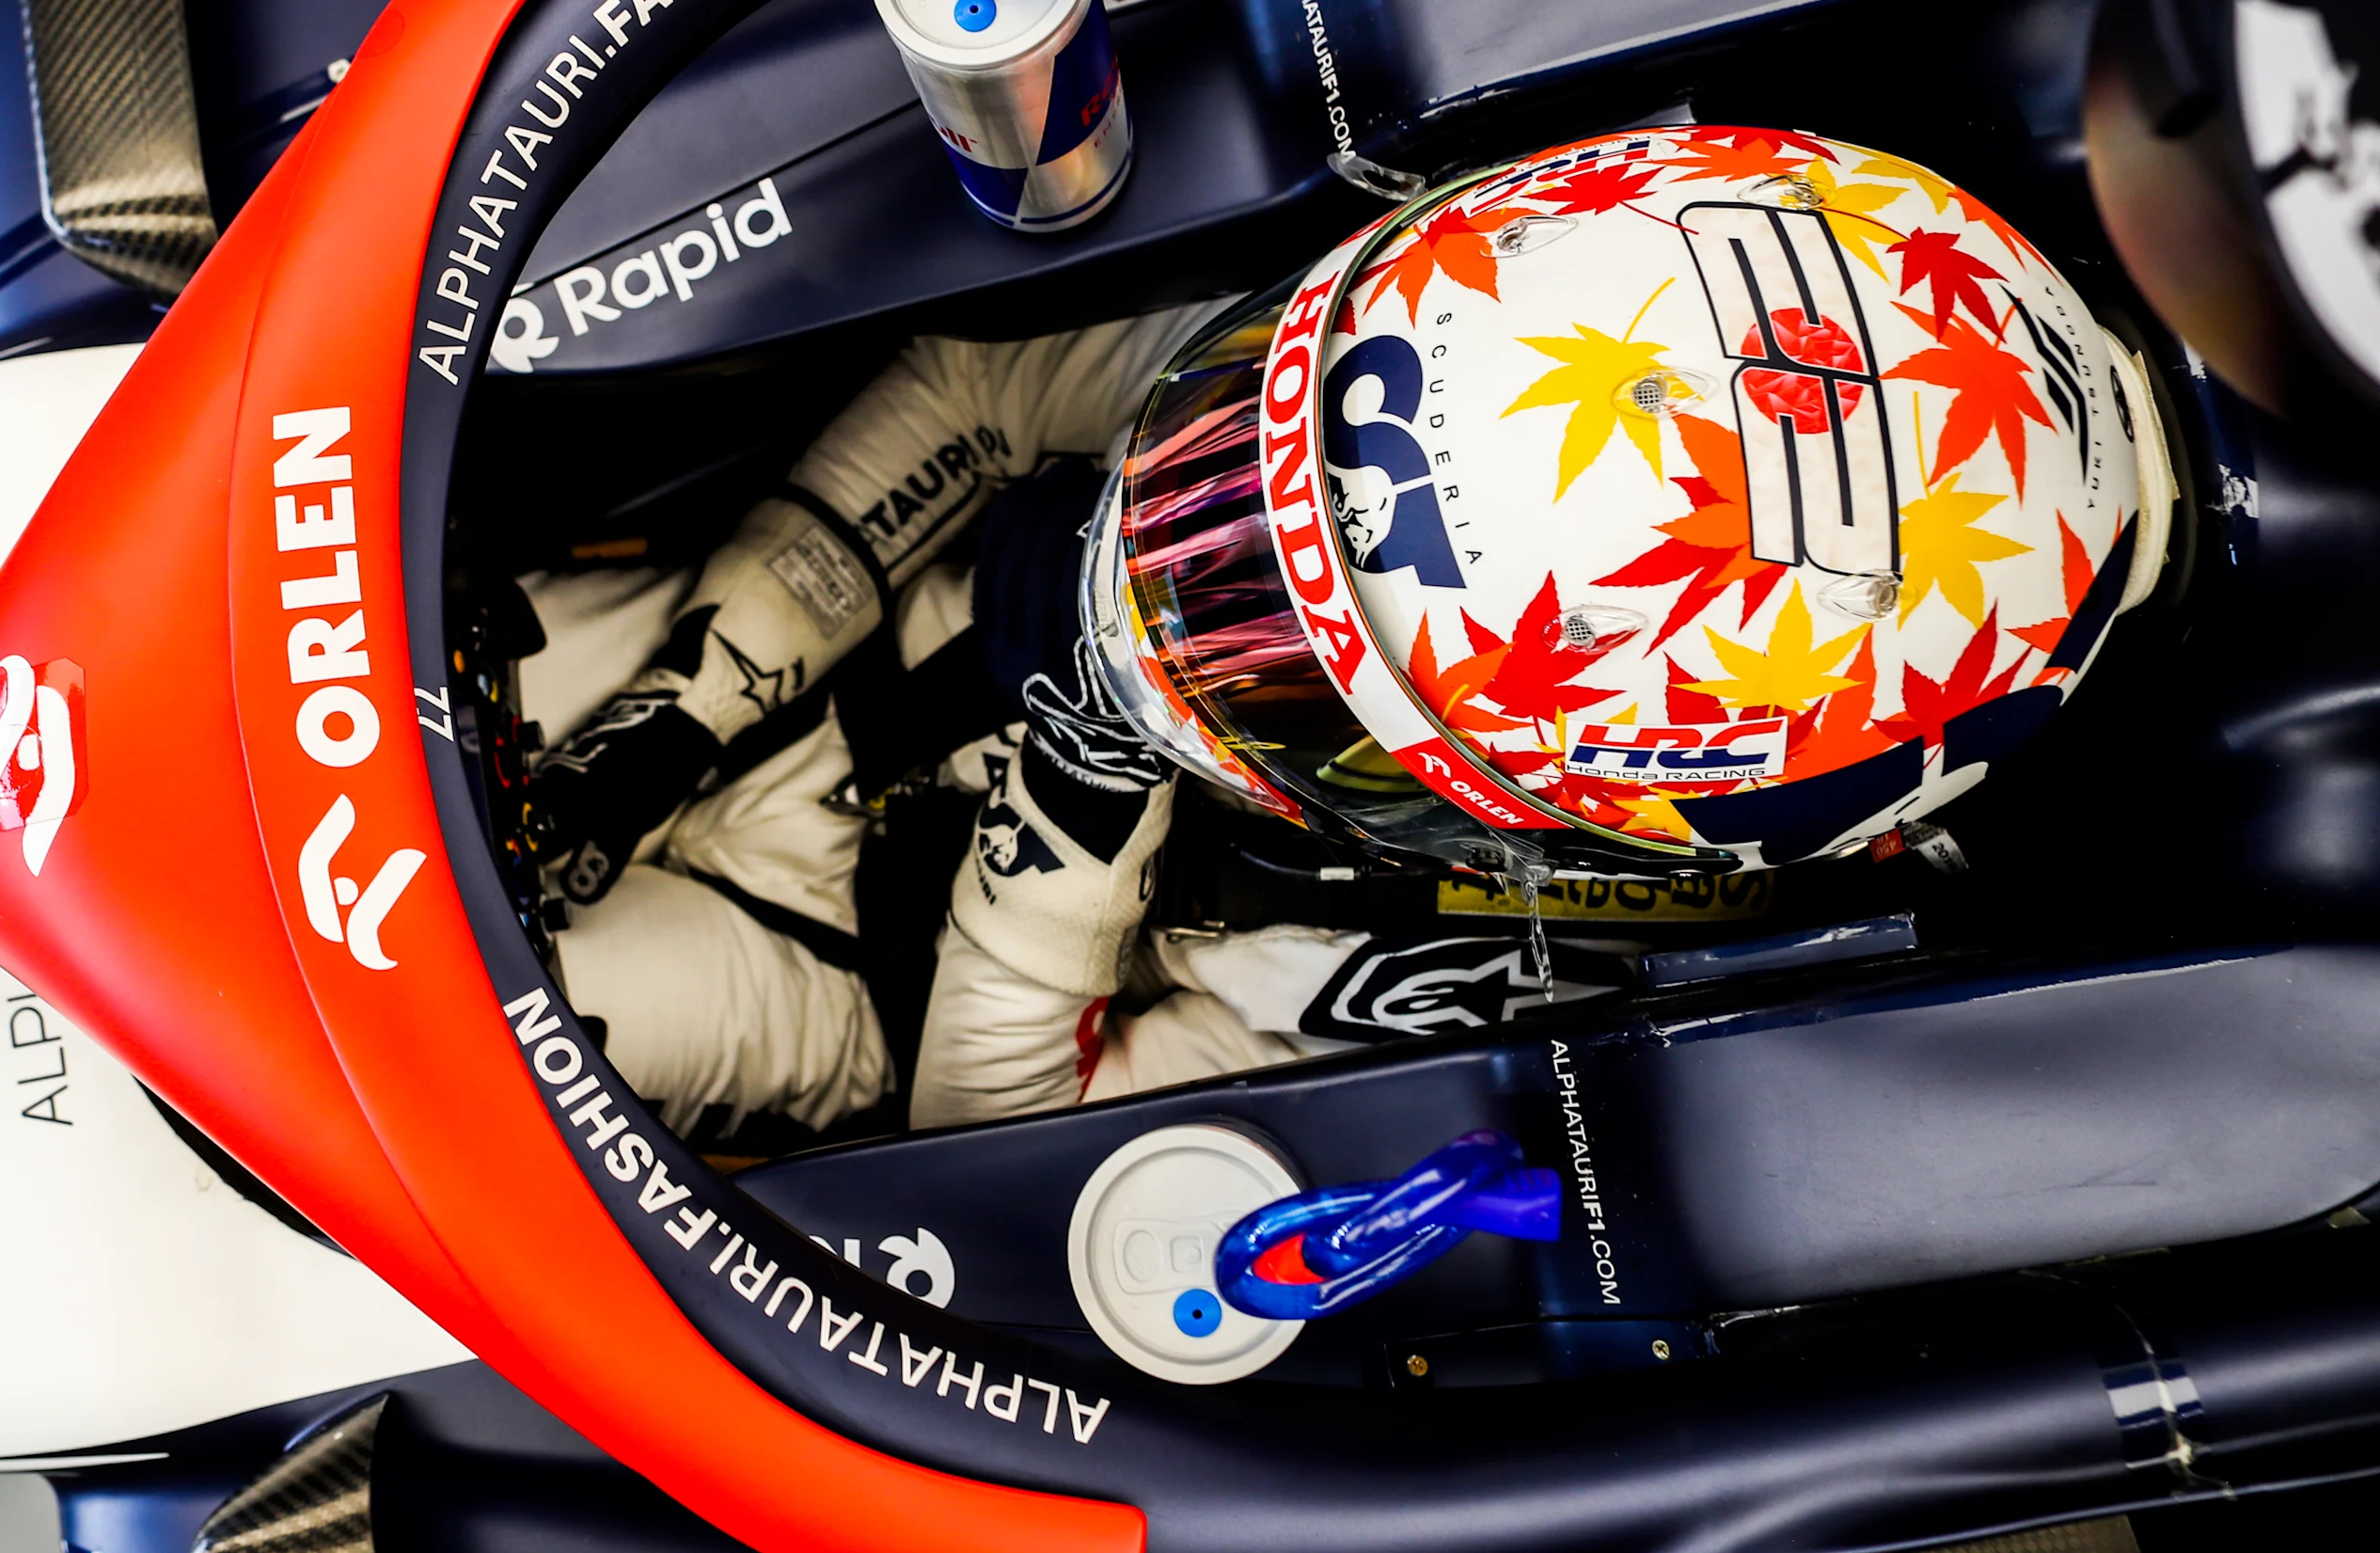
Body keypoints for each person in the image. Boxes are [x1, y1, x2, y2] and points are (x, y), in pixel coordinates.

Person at [525, 124, 2172, 1143]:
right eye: (1238, 477)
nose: (1166, 586)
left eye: (1294, 676)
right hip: (807, 643)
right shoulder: (1399, 340)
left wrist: (1082, 802)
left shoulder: (1581, 930)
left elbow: (1000, 1144)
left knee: (499, 1035)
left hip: (853, 992)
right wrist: (696, 699)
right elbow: (986, 379)